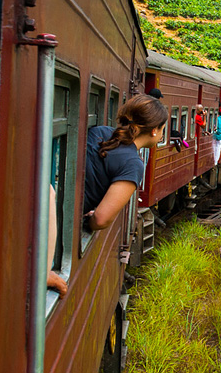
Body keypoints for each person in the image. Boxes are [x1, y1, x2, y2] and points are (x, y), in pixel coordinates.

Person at [49, 94, 167, 295]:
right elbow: (102, 219)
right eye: (163, 129)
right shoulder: (133, 164)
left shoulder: (99, 131)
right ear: (154, 130)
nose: (163, 134)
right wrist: (90, 221)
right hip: (55, 228)